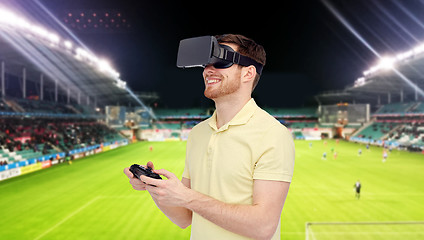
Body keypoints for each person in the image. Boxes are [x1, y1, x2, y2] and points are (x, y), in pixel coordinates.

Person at [124, 34, 295, 240]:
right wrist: (155, 187)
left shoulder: (273, 134)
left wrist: (188, 197)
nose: (208, 70)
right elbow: (184, 217)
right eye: (206, 63)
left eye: (221, 61)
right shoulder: (198, 133)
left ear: (248, 73)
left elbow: (263, 227)